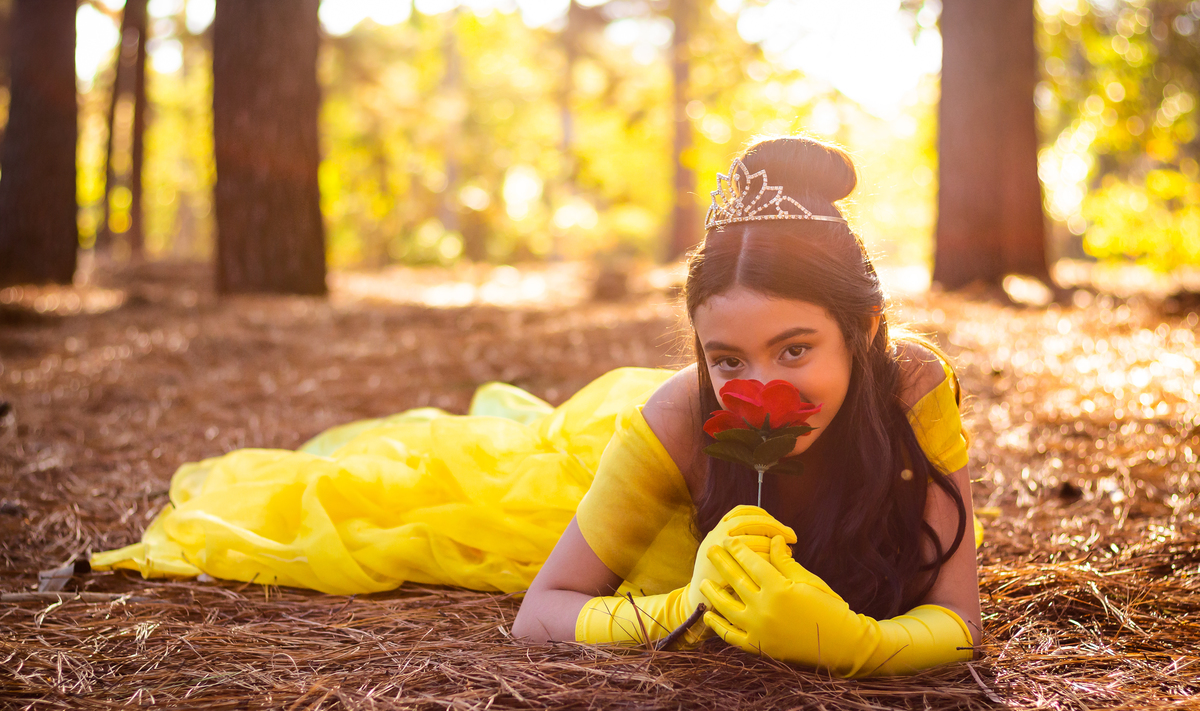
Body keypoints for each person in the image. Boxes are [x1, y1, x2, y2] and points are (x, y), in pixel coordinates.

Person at [92, 135, 979, 678]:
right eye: (727, 359)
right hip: (575, 481)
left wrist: (855, 645)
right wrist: (673, 612)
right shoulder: (679, 421)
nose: (761, 391)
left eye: (796, 350)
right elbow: (542, 612)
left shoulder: (911, 388)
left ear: (863, 330)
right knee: (397, 499)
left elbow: (958, 616)